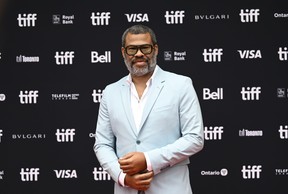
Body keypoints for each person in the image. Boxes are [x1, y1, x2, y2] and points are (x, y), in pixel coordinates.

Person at [93, 24, 204, 194]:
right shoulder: (110, 92)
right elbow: (102, 144)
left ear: (155, 49)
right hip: (126, 189)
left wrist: (147, 159)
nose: (139, 54)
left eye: (145, 47)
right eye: (132, 49)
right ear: (123, 52)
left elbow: (195, 138)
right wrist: (123, 177)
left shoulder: (181, 85)